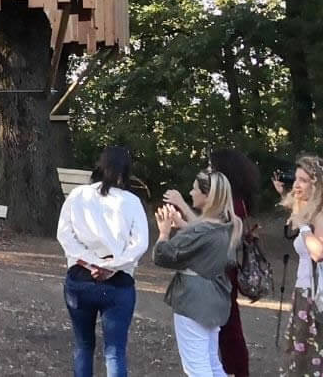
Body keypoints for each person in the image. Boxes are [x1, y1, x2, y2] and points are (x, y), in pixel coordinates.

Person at [56, 145, 150, 377]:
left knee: (83, 346)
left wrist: (90, 262)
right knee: (115, 351)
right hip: (117, 282)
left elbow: (65, 235)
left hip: (80, 278)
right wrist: (111, 265)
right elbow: (139, 244)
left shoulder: (78, 195)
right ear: (125, 171)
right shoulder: (131, 202)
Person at [165, 149, 259, 377]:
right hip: (220, 271)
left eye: (211, 167)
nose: (208, 171)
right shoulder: (234, 202)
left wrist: (181, 207)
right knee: (220, 335)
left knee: (228, 332)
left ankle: (237, 371)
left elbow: (206, 234)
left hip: (220, 273)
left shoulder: (232, 204)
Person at [153, 170, 243, 377]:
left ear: (207, 196)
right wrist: (184, 225)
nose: (191, 192)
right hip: (215, 298)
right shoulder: (229, 225)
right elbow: (204, 239)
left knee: (197, 367)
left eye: (195, 188)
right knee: (211, 362)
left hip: (194, 301)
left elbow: (163, 256)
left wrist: (164, 232)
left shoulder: (203, 231)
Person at [273, 154, 323, 377]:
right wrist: (285, 195)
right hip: (304, 292)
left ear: (317, 183)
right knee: (301, 357)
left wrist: (303, 225)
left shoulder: (320, 215)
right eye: (296, 179)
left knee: (311, 358)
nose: (296, 184)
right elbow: (296, 216)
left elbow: (318, 252)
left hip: (314, 297)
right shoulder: (310, 212)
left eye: (303, 180)